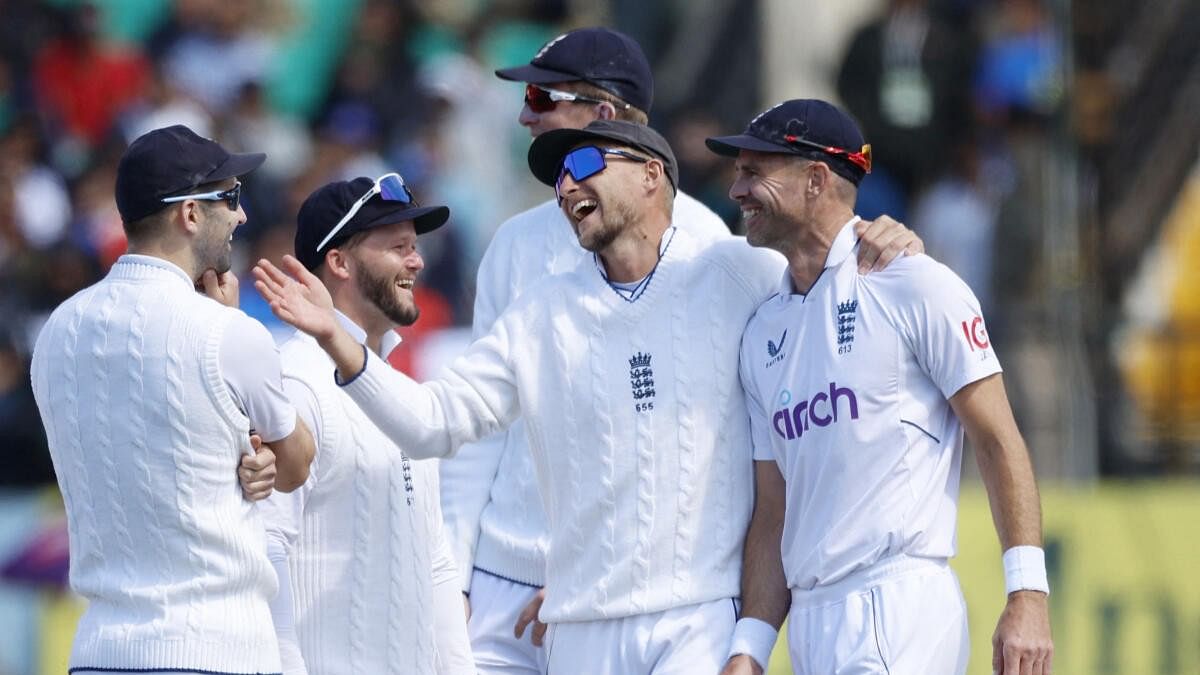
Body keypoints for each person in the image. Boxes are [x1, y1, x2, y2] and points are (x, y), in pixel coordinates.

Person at [254, 119, 917, 674]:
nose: (566, 183)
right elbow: (434, 424)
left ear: (652, 175)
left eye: (582, 162)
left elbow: (831, 294)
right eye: (556, 175)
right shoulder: (539, 311)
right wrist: (338, 344)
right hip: (578, 632)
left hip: (696, 623)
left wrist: (884, 242)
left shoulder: (736, 271)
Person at [437, 27, 922, 675]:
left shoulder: (712, 247)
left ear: (603, 114)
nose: (525, 115)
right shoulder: (513, 245)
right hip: (502, 579)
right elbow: (478, 439)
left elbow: (713, 438)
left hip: (629, 595)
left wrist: (883, 243)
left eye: (540, 97)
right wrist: (452, 581)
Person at [709, 100, 1053, 675]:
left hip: (896, 605)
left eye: (753, 171)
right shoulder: (761, 332)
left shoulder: (915, 285)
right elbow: (775, 510)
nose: (737, 189)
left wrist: (1028, 597)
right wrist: (750, 648)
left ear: (815, 180)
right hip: (812, 621)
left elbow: (998, 439)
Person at [30, 124, 316, 674]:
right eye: (230, 198)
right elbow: (296, 464)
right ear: (190, 213)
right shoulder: (226, 333)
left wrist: (246, 450)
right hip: (215, 649)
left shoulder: (57, 330)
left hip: (98, 652)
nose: (241, 215)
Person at [261, 175, 473, 674]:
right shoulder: (295, 384)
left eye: (415, 247)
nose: (417, 262)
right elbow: (266, 554)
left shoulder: (404, 394)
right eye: (398, 247)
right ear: (339, 262)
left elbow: (436, 560)